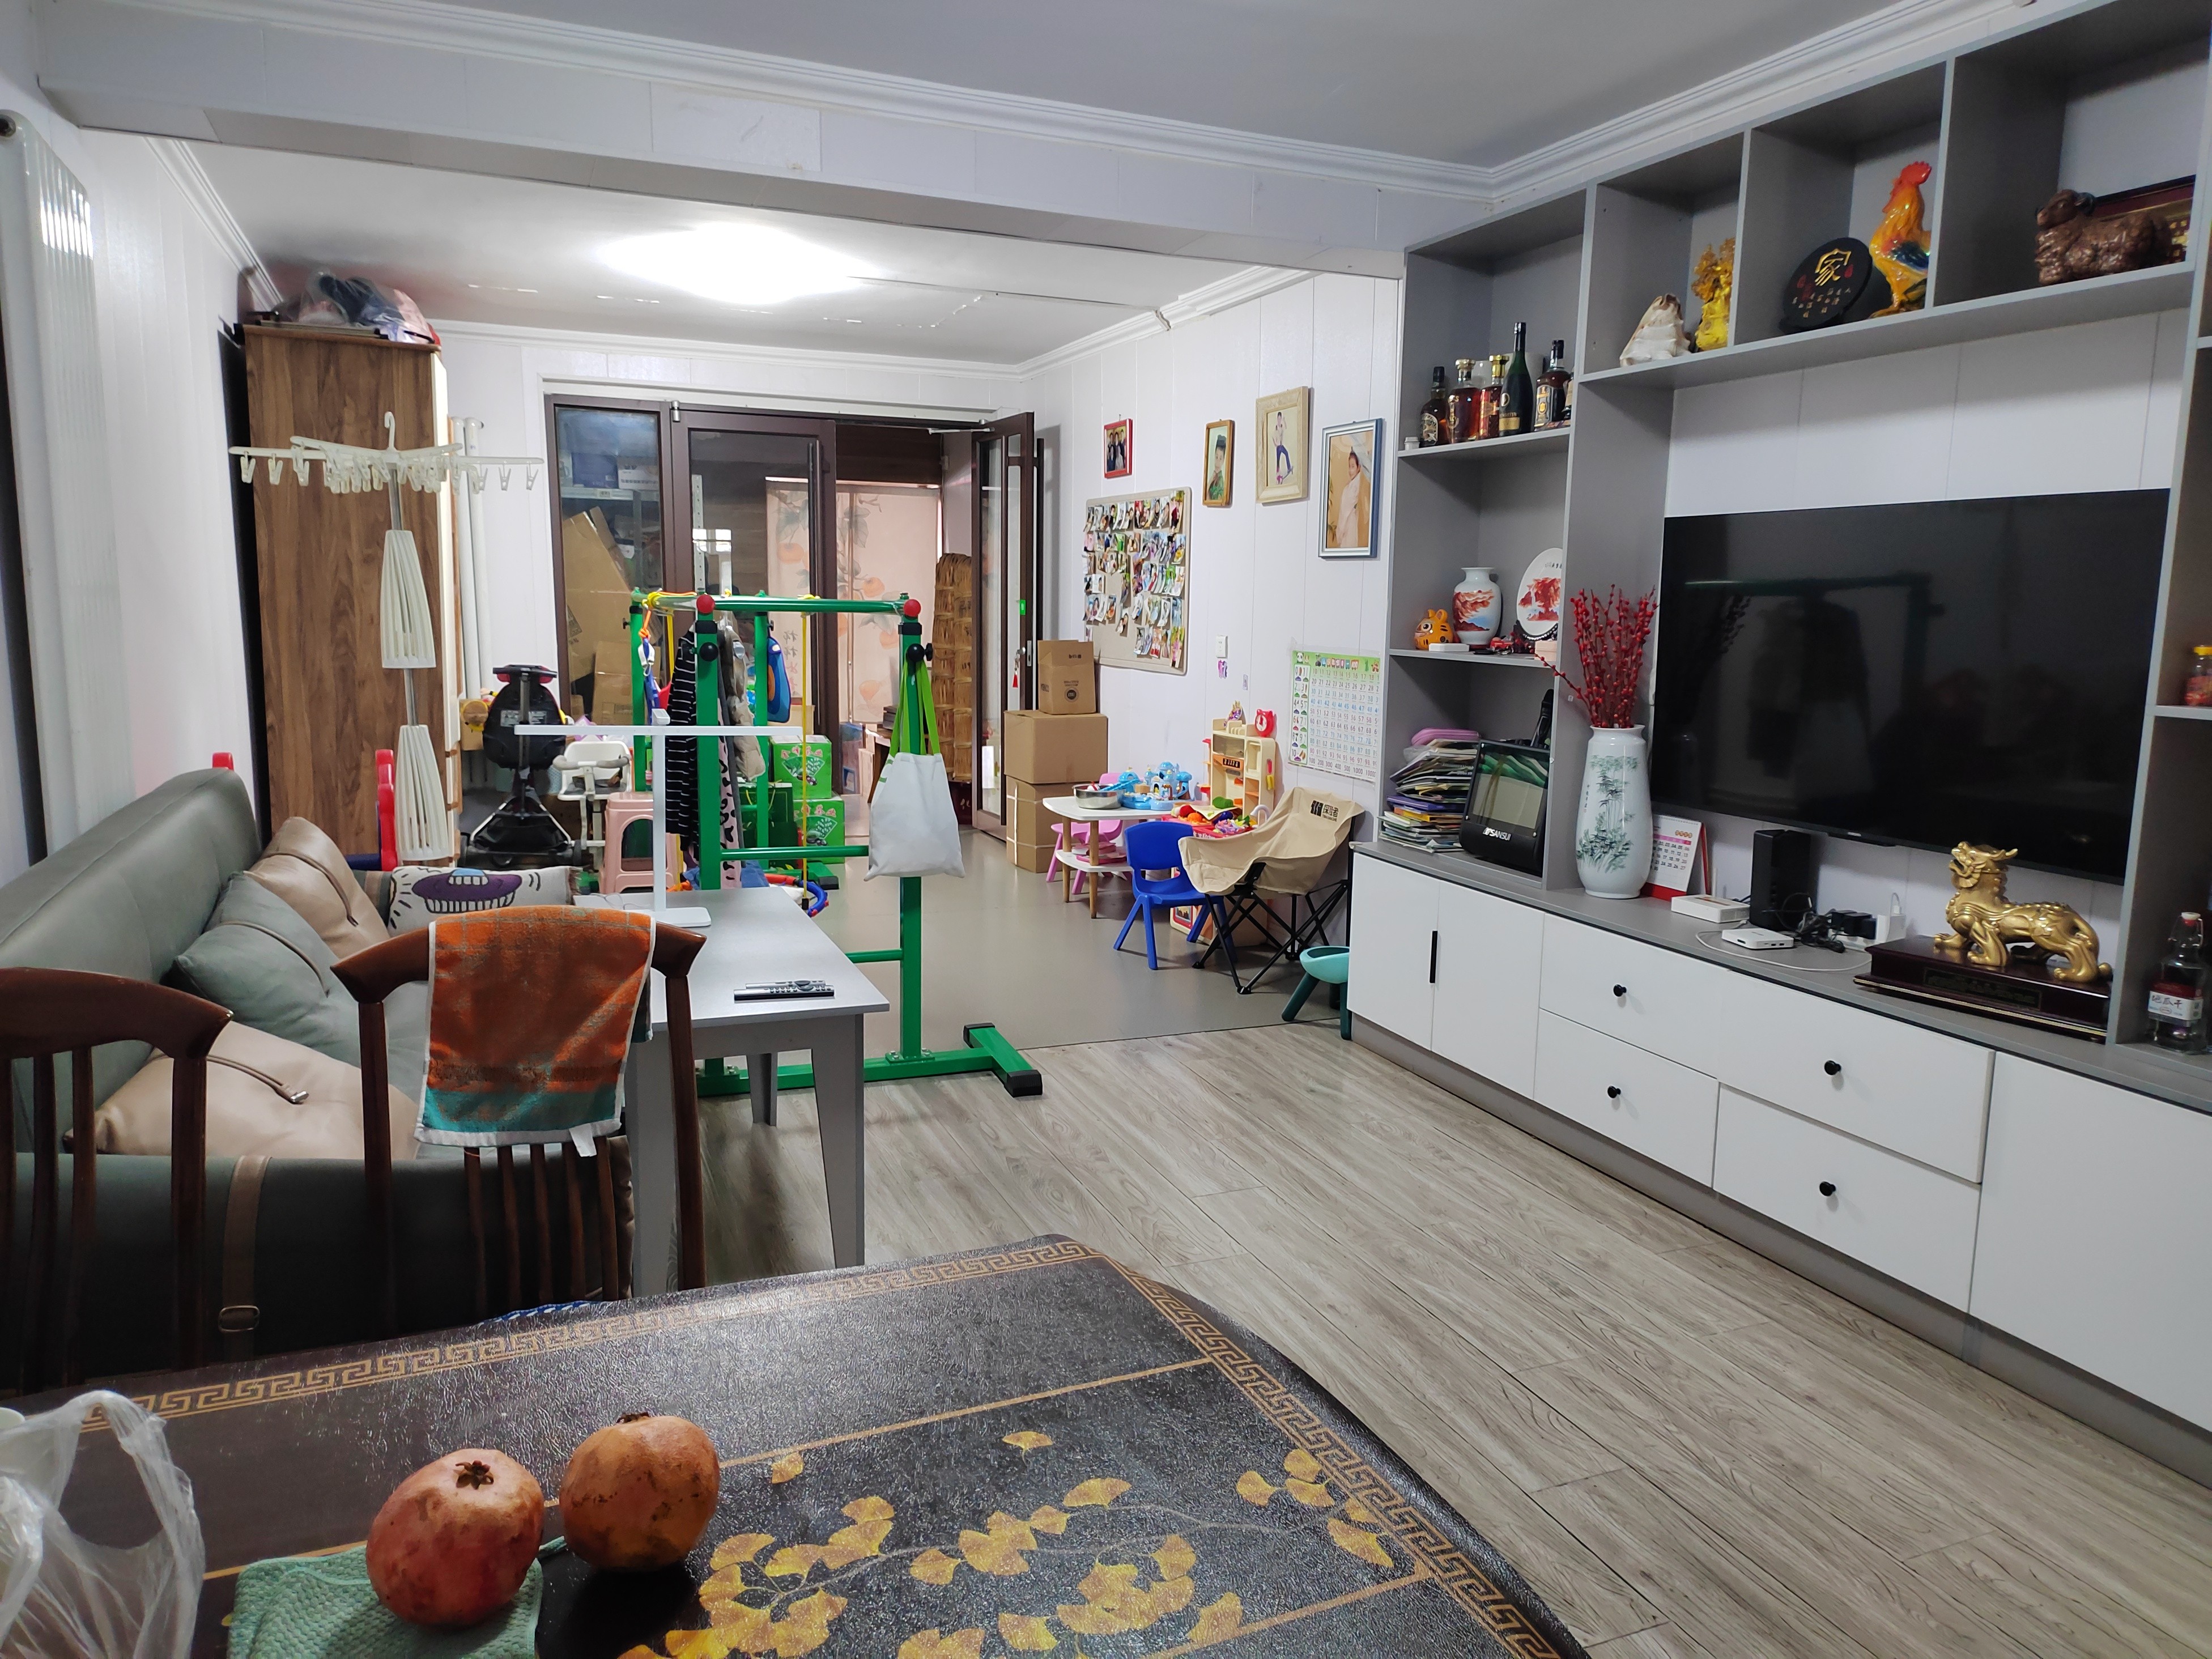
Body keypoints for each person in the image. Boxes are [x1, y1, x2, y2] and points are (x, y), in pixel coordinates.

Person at [1332, 444, 1368, 548]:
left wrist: (1340, 533)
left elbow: (1345, 512)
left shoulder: (1354, 487)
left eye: (1353, 467)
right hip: (1349, 526)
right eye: (1349, 467)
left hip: (1350, 526)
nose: (1350, 471)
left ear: (1359, 467)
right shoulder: (1350, 487)